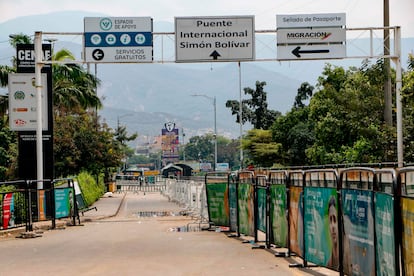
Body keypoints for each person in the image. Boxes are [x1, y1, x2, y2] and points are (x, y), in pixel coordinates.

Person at [326, 196, 339, 269]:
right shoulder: (328, 264)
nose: (333, 226)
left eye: (335, 220)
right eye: (330, 221)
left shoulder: (348, 262)